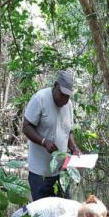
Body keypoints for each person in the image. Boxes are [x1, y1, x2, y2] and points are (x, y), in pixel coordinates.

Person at [22, 70, 82, 201]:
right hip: (40, 173)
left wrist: (73, 147)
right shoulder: (40, 99)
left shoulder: (69, 105)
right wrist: (43, 141)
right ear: (55, 86)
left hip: (61, 172)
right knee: (41, 214)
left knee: (63, 210)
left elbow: (68, 130)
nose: (65, 99)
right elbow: (26, 127)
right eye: (62, 95)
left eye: (68, 96)